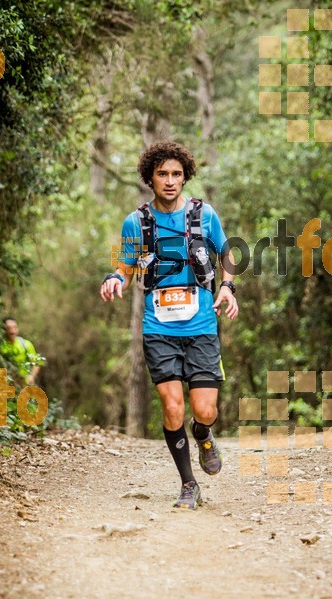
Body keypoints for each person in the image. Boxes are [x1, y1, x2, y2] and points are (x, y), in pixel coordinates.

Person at [100, 140, 238, 510]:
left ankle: (204, 434)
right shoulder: (137, 221)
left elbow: (227, 255)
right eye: (163, 173)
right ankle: (188, 484)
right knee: (173, 407)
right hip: (158, 327)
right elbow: (126, 266)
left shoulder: (204, 215)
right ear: (151, 178)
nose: (170, 180)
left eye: (177, 174)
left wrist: (227, 287)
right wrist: (115, 278)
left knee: (204, 409)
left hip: (202, 323)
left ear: (185, 177)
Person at [0, 317, 41, 385]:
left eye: (14, 327)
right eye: (9, 328)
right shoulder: (0, 345)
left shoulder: (26, 344)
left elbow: (36, 363)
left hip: (24, 383)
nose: (12, 331)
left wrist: (31, 376)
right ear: (4, 330)